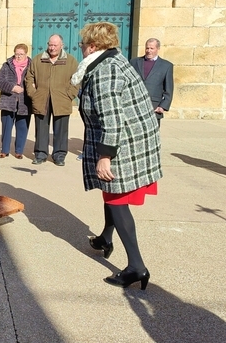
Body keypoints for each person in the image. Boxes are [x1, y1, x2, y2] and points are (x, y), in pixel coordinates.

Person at [73, 21, 162, 290]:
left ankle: (136, 266)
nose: (81, 50)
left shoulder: (104, 71)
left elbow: (112, 118)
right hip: (131, 139)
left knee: (116, 199)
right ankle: (105, 237)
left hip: (123, 144)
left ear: (92, 46)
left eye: (81, 45)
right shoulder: (114, 61)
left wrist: (105, 156)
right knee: (109, 192)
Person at [25, 34, 78, 166]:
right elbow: (29, 77)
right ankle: (40, 154)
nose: (52, 48)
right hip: (41, 99)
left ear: (61, 46)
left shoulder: (71, 61)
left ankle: (59, 155)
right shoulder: (38, 60)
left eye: (55, 45)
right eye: (50, 45)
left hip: (62, 100)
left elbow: (76, 80)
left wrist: (70, 94)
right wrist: (33, 94)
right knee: (41, 129)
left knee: (61, 130)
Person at [0, 44, 32, 159]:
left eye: (21, 54)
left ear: (26, 54)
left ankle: (19, 151)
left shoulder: (32, 66)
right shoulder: (6, 66)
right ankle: (4, 150)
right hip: (8, 101)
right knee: (6, 127)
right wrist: (12, 87)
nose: (18, 56)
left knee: (22, 127)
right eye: (16, 54)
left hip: (24, 102)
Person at [130, 38, 174, 127]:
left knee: (153, 136)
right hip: (135, 106)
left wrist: (163, 106)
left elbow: (168, 88)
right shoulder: (134, 62)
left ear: (158, 49)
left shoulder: (166, 66)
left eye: (152, 48)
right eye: (147, 48)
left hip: (154, 107)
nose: (149, 51)